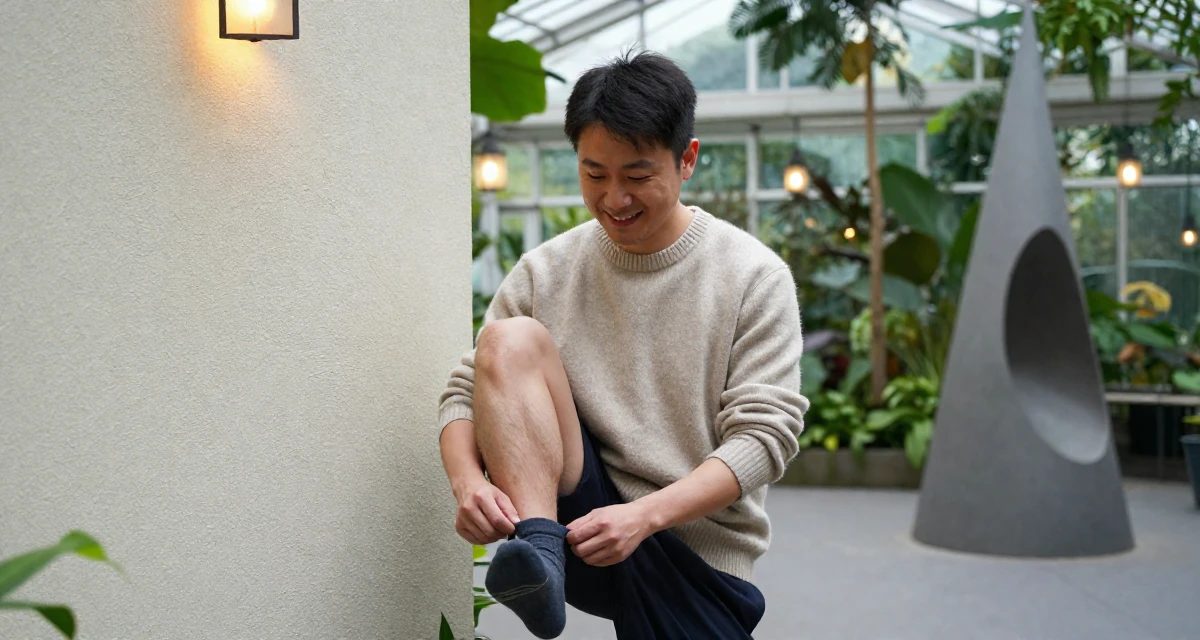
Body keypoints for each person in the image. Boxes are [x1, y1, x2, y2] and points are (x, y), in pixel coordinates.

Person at [438, 50, 808, 639]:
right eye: (594, 174)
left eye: (637, 176)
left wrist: (643, 516)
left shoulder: (752, 276)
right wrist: (469, 482)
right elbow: (465, 389)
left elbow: (764, 438)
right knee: (509, 340)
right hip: (570, 519)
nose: (614, 198)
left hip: (691, 544)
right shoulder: (545, 270)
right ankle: (538, 556)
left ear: (687, 159)